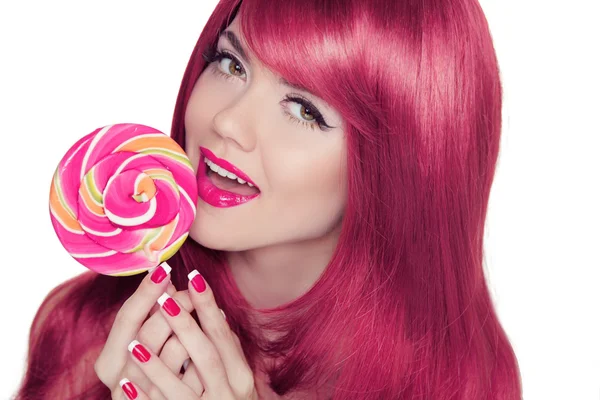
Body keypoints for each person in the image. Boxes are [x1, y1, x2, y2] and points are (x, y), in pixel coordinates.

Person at [14, 0, 522, 398]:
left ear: (403, 164)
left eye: (303, 108)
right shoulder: (83, 335)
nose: (227, 121)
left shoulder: (461, 383)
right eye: (231, 63)